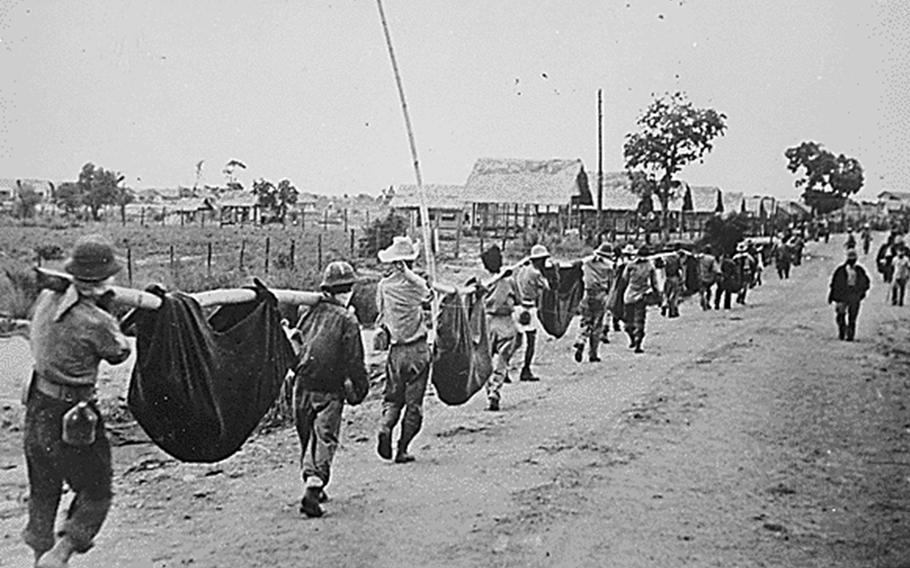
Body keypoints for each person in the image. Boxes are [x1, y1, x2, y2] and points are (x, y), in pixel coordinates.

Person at [24, 235, 131, 568]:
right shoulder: (95, 320)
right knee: (97, 492)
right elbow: (119, 351)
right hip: (73, 416)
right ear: (103, 279)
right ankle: (60, 554)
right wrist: (106, 310)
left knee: (43, 489)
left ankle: (40, 556)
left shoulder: (45, 298)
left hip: (37, 407)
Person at [290, 261, 369, 517]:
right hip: (329, 388)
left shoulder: (308, 310)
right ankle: (313, 488)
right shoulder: (347, 319)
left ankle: (313, 481)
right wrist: (361, 387)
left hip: (301, 385)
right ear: (347, 291)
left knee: (306, 435)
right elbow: (354, 360)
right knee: (324, 437)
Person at [375, 236, 432, 464]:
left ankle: (385, 425)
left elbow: (380, 317)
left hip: (395, 351)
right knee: (414, 404)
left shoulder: (384, 287)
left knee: (392, 398)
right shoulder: (414, 287)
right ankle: (402, 449)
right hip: (417, 349)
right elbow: (428, 294)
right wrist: (411, 275)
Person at [480, 246, 520, 411]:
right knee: (503, 359)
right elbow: (518, 298)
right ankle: (495, 390)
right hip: (506, 322)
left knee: (485, 360)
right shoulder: (509, 281)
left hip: (486, 322)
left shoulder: (483, 282)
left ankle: (490, 389)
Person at [514, 244, 552, 381]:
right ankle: (526, 369)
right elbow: (547, 287)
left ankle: (504, 369)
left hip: (518, 307)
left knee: (514, 341)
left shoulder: (522, 270)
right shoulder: (536, 273)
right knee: (531, 341)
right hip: (529, 308)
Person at [573, 242, 614, 363]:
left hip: (587, 293)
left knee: (585, 321)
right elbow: (611, 284)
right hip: (601, 295)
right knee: (597, 324)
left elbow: (575, 267)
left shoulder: (587, 262)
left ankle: (581, 340)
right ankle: (593, 353)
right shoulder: (609, 266)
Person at [622, 244, 659, 354]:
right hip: (642, 295)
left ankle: (632, 338)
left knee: (628, 320)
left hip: (629, 295)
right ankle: (638, 343)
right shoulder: (650, 266)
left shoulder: (630, 265)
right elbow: (654, 282)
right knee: (640, 320)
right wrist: (657, 294)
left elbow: (624, 278)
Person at [827, 248, 871, 341]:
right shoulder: (840, 270)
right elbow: (834, 284)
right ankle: (842, 331)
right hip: (842, 295)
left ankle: (850, 335)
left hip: (854, 295)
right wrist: (832, 296)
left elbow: (866, 282)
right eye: (850, 259)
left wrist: (861, 293)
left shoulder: (859, 271)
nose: (851, 261)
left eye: (853, 259)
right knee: (840, 315)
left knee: (853, 316)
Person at [661, 247, 685, 318]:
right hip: (675, 277)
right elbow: (680, 268)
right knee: (674, 295)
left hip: (667, 278)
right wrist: (682, 278)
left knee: (666, 294)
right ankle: (672, 312)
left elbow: (661, 267)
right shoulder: (676, 258)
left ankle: (664, 304)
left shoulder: (665, 258)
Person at [696, 245, 721, 310]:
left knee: (702, 289)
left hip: (699, 276)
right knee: (708, 290)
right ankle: (707, 301)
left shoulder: (699, 257)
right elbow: (715, 269)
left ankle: (703, 299)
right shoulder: (712, 258)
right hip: (709, 277)